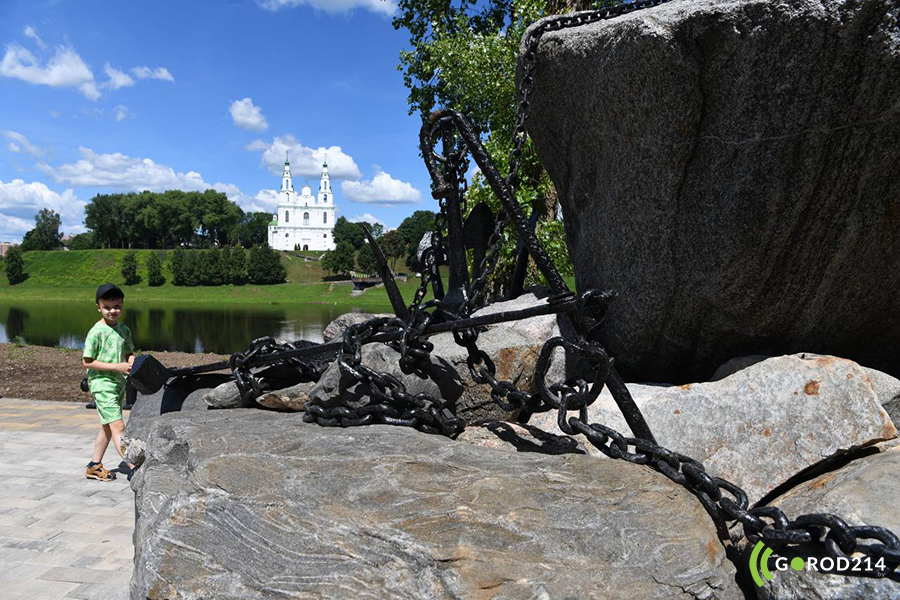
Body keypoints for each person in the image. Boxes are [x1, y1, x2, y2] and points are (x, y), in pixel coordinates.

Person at [82, 283, 136, 481]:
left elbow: (129, 353)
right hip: (102, 384)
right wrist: (117, 367)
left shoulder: (124, 330)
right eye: (107, 307)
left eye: (117, 306)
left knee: (107, 426)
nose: (113, 311)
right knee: (118, 427)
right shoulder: (96, 332)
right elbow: (87, 362)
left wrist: (131, 363)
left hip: (118, 384)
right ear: (98, 307)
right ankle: (134, 466)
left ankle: (94, 466)